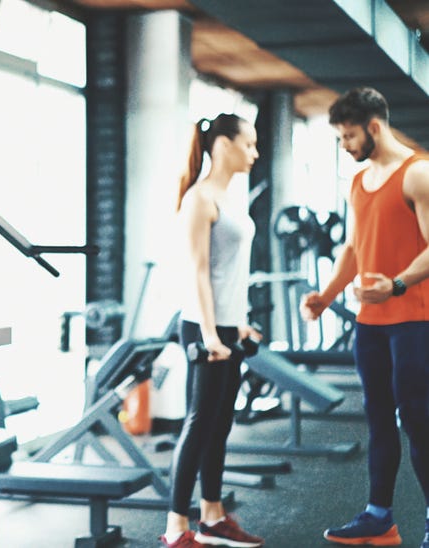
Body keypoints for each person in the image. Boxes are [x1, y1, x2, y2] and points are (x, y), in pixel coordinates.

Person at [301, 86, 429, 548]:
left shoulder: (418, 174)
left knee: (419, 419)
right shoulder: (358, 182)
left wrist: (395, 285)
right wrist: (326, 295)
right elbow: (354, 248)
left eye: (349, 136)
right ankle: (380, 517)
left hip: (416, 319)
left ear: (374, 127)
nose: (345, 146)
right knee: (377, 419)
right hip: (370, 325)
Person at [160, 113, 264, 548]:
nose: (255, 153)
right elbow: (198, 273)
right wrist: (210, 336)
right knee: (200, 422)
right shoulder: (200, 198)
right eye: (249, 144)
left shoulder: (229, 195)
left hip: (227, 326)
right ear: (223, 145)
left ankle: (213, 516)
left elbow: (230, 272)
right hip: (203, 327)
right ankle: (175, 530)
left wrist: (239, 325)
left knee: (221, 424)